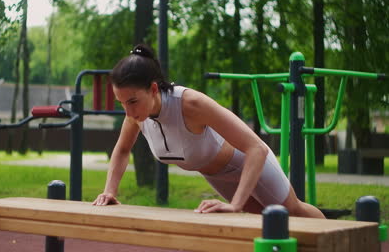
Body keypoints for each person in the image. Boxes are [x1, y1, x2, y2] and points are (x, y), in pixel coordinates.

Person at [92, 44, 325, 218]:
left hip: (249, 165)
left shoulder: (190, 104)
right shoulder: (136, 115)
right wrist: (109, 191)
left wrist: (235, 205)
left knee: (292, 212)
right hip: (216, 174)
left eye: (132, 101)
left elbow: (256, 148)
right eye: (121, 103)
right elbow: (122, 150)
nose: (128, 111)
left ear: (153, 88)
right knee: (261, 223)